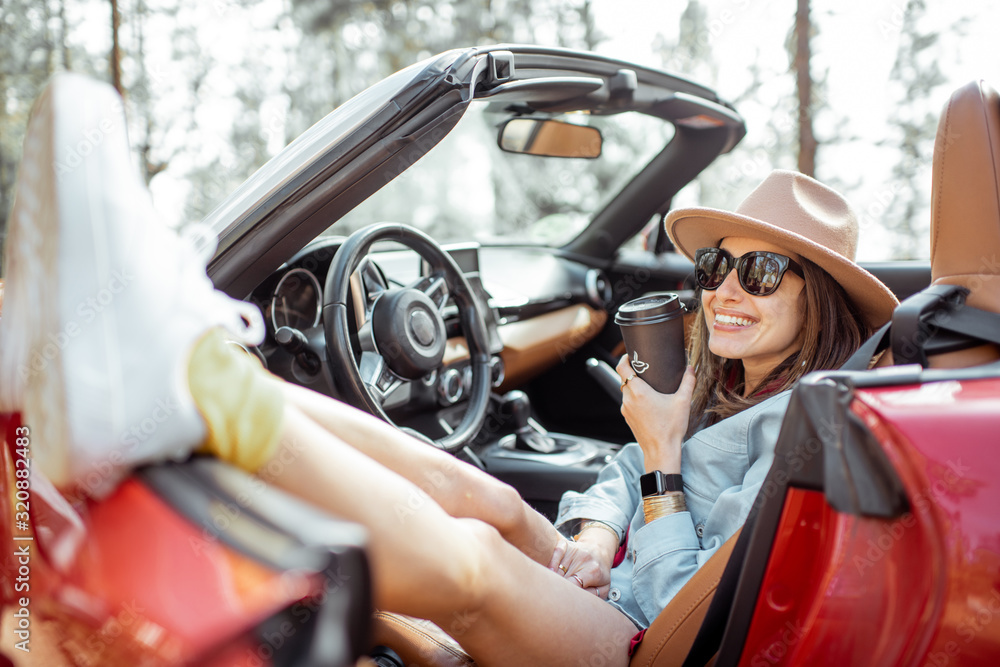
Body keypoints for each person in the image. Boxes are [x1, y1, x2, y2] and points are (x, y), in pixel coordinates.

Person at [0, 75, 897, 665]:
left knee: (475, 564)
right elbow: (617, 476)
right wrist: (592, 531)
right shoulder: (727, 388)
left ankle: (190, 395)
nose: (727, 291)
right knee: (483, 493)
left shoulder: (802, 427)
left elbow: (704, 600)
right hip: (619, 581)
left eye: (763, 271)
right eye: (716, 267)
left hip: (654, 639)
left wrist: (660, 463)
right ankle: (178, 368)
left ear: (817, 300)